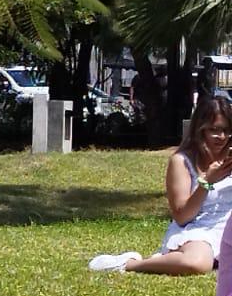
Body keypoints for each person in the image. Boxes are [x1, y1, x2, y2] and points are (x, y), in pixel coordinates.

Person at [91, 94, 232, 274]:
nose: (222, 137)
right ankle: (130, 263)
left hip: (228, 224)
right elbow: (182, 216)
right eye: (214, 130)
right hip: (199, 229)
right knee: (196, 264)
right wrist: (207, 182)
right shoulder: (182, 161)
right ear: (200, 129)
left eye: (226, 130)